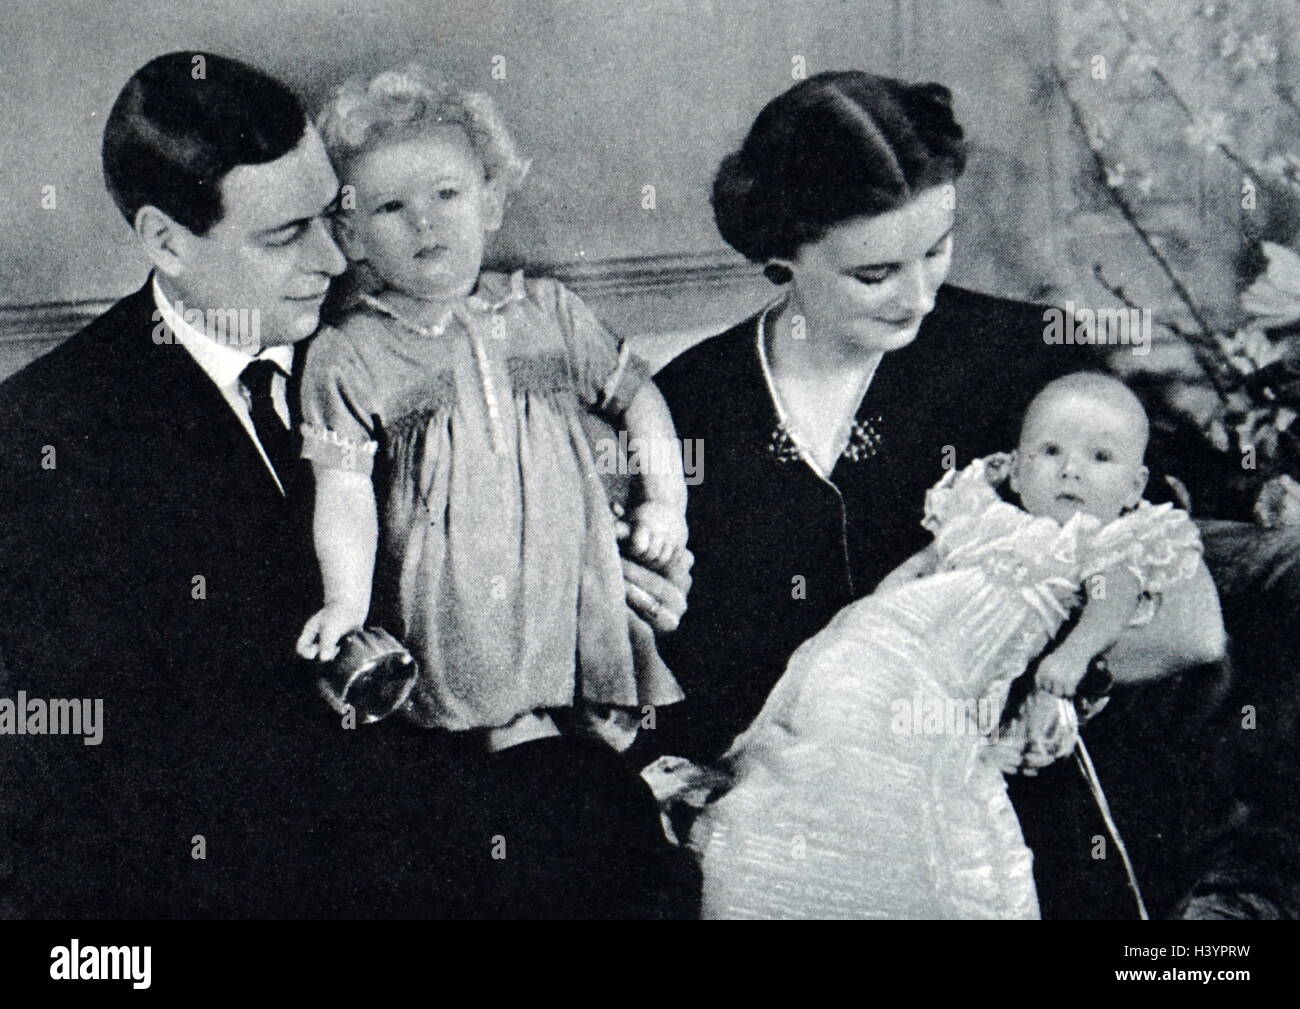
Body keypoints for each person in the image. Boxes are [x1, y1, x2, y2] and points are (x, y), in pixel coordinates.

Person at [0, 51, 692, 919]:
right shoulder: (45, 438)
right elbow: (69, 798)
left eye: (333, 215)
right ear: (166, 241)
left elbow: (581, 469)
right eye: (286, 235)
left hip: (530, 785)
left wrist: (624, 549)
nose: (337, 258)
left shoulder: (432, 320)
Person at [644, 70, 1227, 918]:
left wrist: (1040, 687)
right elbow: (683, 670)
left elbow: (1190, 620)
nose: (919, 296)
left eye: (938, 248)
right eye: (875, 272)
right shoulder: (692, 406)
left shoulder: (1028, 368)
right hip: (792, 830)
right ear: (783, 254)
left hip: (1013, 813)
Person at [690, 373, 1213, 919]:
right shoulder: (981, 515)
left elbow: (1114, 601)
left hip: (949, 676)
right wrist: (868, 613)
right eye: (1049, 451)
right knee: (828, 737)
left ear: (1134, 487)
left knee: (902, 774)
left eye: (1100, 457)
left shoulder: (1106, 542)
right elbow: (923, 566)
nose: (1071, 468)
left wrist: (1074, 655)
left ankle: (844, 889)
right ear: (1014, 466)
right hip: (883, 639)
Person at [297, 66, 688, 756]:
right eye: (389, 207)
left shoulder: (547, 312)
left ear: (491, 203)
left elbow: (641, 400)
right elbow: (344, 487)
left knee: (597, 745)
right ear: (351, 236)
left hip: (573, 577)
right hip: (454, 605)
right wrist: (347, 602)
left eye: (447, 193)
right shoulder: (352, 350)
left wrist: (666, 504)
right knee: (494, 748)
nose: (425, 220)